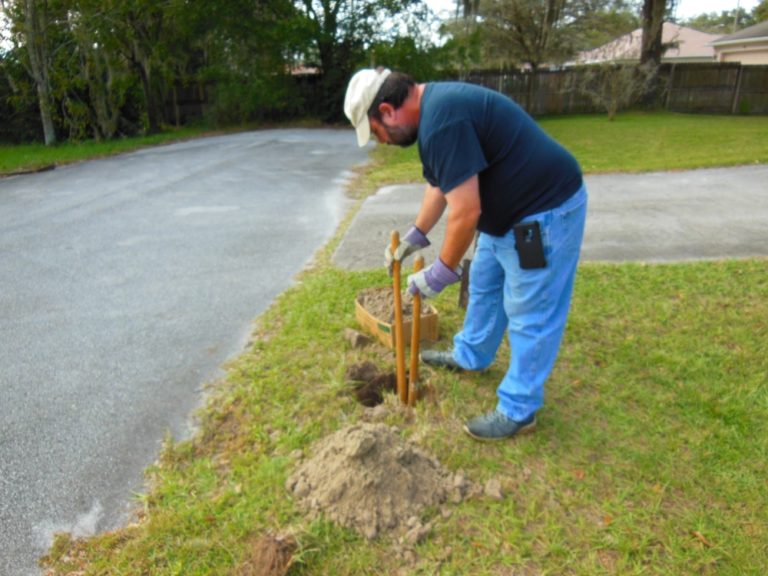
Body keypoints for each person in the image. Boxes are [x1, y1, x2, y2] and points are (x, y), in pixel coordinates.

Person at [343, 68, 588, 441]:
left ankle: (519, 411)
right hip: (504, 216)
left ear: (388, 111)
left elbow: (465, 211)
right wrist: (416, 235)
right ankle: (470, 355)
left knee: (531, 311)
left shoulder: (442, 121)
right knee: (486, 287)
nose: (384, 141)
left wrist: (440, 273)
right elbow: (439, 185)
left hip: (542, 212)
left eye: (377, 132)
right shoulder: (435, 113)